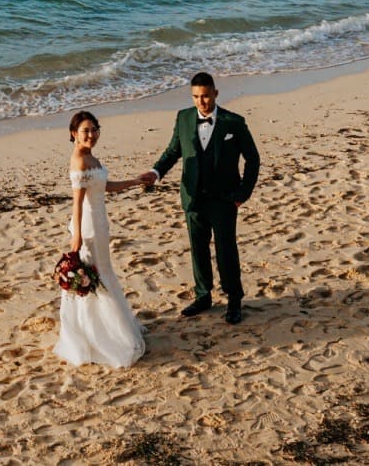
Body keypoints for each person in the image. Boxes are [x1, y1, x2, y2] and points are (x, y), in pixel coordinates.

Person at [140, 72, 260, 325]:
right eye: (196, 96)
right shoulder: (183, 118)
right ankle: (203, 296)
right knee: (198, 249)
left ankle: (234, 299)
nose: (201, 102)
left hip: (224, 199)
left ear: (215, 93)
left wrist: (242, 193)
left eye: (205, 96)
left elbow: (253, 159)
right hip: (193, 198)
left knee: (226, 250)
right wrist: (155, 172)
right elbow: (173, 151)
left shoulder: (233, 122)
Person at [51, 110, 149, 367]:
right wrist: (77, 237)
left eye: (95, 130)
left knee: (104, 272)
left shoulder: (91, 157)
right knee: (96, 277)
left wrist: (135, 181)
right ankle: (97, 335)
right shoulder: (80, 162)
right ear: (74, 134)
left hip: (100, 223)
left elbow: (106, 186)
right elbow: (77, 203)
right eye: (86, 131)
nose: (92, 135)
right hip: (88, 227)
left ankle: (109, 329)